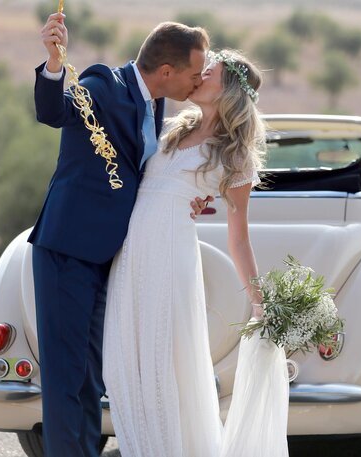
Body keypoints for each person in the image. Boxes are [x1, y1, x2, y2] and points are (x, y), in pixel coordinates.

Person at [31, 13, 213, 456]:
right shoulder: (103, 84)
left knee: (91, 379)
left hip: (107, 258)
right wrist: (54, 63)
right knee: (66, 378)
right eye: (193, 73)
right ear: (167, 71)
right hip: (67, 251)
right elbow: (54, 111)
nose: (197, 81)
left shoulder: (156, 104)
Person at [102, 49, 289, 456]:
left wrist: (259, 303)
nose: (199, 75)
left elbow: (238, 236)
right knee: (120, 366)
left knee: (162, 369)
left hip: (171, 261)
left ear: (229, 92)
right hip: (130, 258)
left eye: (210, 73)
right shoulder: (171, 127)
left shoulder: (234, 153)